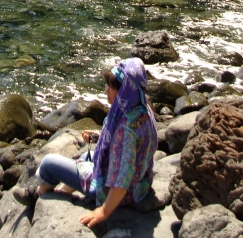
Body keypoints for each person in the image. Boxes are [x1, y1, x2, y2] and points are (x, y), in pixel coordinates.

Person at [32, 58, 158, 228]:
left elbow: (122, 177)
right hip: (141, 185)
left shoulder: (124, 129)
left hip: (114, 192)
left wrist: (104, 211)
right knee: (86, 155)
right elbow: (134, 146)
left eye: (111, 87)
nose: (106, 90)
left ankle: (38, 196)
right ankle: (60, 192)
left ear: (124, 91)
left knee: (48, 164)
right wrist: (100, 137)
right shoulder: (143, 108)